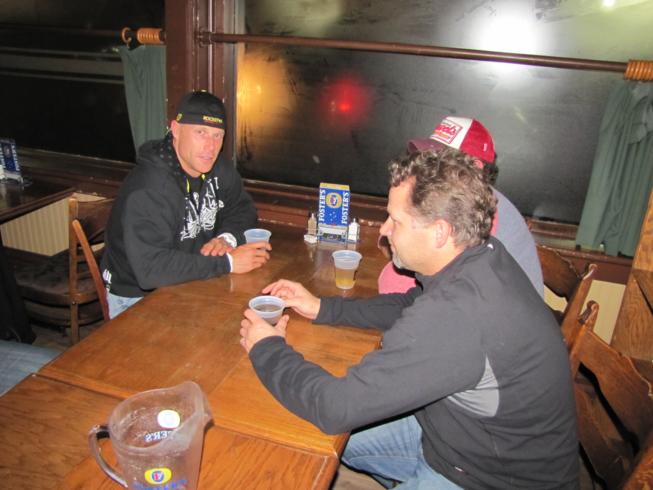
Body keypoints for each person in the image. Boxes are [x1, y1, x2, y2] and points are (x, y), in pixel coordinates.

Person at [240, 149, 578, 489]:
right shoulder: (482, 258)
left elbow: (335, 406)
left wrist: (266, 346)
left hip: (490, 478)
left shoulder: (456, 315)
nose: (384, 230)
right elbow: (410, 304)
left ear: (440, 232)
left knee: (323, 417)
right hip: (454, 434)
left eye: (395, 220)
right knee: (313, 429)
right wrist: (322, 307)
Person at [102, 90, 269, 318]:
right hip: (138, 296)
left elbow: (243, 208)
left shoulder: (217, 167)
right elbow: (151, 269)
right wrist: (228, 263)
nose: (210, 146)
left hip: (190, 279)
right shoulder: (149, 187)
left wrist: (227, 238)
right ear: (176, 130)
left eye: (217, 135)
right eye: (201, 133)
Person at [378, 116, 543, 297]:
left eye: (436, 162)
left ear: (474, 168)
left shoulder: (480, 215)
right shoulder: (452, 201)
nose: (424, 167)